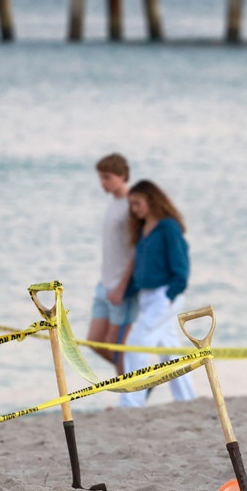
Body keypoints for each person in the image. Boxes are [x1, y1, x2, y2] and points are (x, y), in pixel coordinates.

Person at [118, 179, 196, 408]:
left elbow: (181, 265)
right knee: (169, 351)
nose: (134, 209)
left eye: (137, 203)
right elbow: (144, 268)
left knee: (136, 343)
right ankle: (187, 400)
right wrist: (125, 292)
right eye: (131, 204)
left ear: (151, 201)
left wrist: (171, 294)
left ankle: (131, 402)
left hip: (165, 295)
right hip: (147, 297)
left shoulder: (168, 227)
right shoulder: (143, 231)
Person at [88, 153, 137, 368]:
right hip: (105, 283)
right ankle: (139, 382)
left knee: (116, 345)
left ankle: (130, 397)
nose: (102, 183)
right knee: (94, 341)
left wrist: (122, 286)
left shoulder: (131, 205)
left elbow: (137, 249)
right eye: (100, 177)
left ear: (122, 176)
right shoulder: (112, 203)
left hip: (122, 287)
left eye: (107, 177)